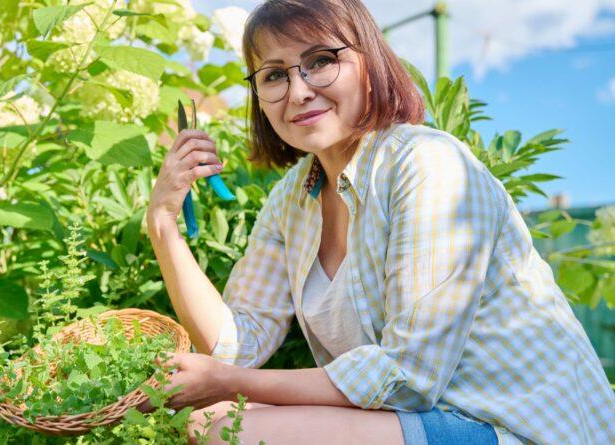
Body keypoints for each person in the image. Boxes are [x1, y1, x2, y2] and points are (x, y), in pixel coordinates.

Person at [145, 1, 615, 444]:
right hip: (421, 419)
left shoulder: (428, 165)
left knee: (230, 430)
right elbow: (236, 345)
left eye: (321, 60)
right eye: (274, 75)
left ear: (370, 66)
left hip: (514, 426)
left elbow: (409, 376)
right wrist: (164, 222)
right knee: (211, 420)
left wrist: (229, 382)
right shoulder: (293, 198)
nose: (299, 89)